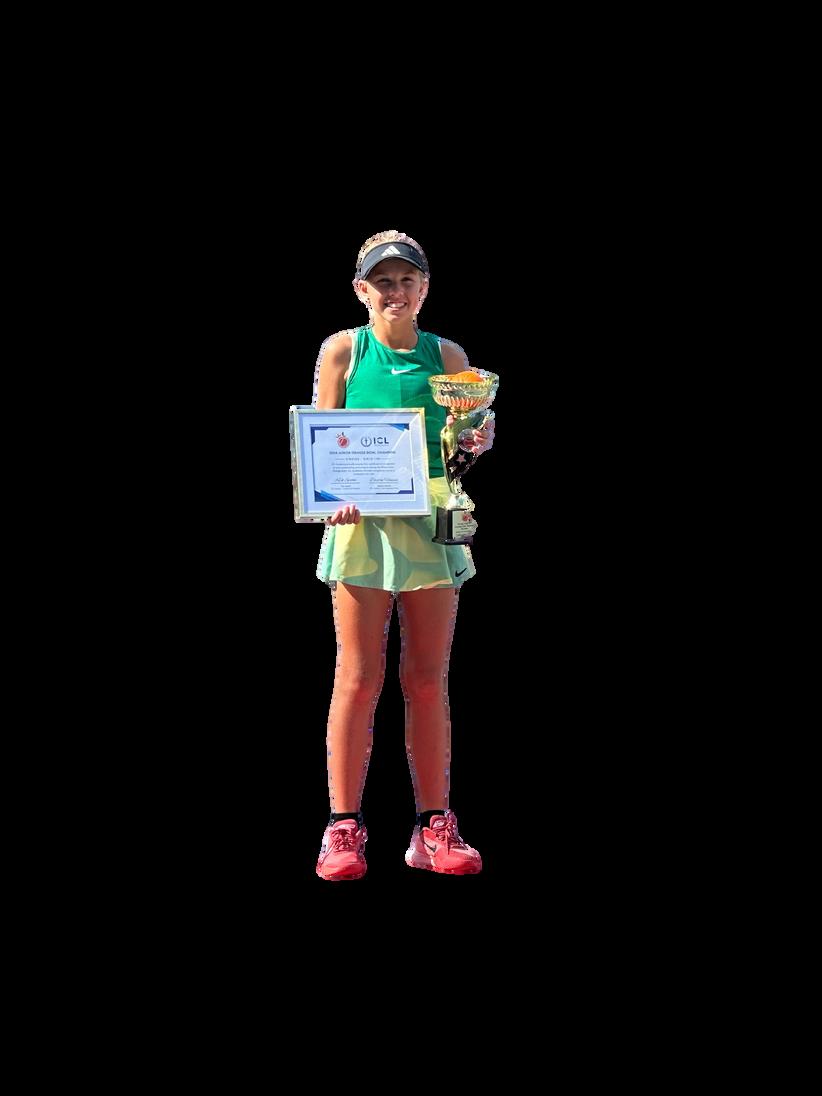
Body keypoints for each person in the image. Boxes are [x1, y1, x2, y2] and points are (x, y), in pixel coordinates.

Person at [310, 230, 496, 881]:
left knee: (425, 678)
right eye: (383, 281)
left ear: (425, 287)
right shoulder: (342, 349)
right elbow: (321, 438)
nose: (396, 291)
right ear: (362, 290)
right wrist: (329, 495)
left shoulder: (449, 355)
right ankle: (342, 827)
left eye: (407, 280)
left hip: (432, 529)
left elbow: (460, 445)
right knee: (358, 678)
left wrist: (475, 440)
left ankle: (432, 828)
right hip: (359, 530)